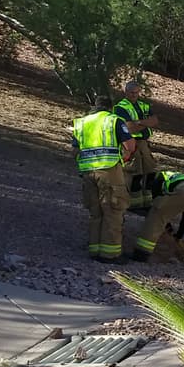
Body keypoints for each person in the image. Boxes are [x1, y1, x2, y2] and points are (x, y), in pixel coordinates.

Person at [71, 99, 136, 263]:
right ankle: (110, 254)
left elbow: (75, 150)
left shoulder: (81, 123)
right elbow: (130, 146)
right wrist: (125, 155)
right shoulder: (113, 120)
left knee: (96, 211)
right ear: (110, 107)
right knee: (113, 210)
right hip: (109, 170)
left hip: (87, 172)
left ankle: (94, 250)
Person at [132, 171, 184, 262]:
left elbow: (159, 204)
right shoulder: (181, 178)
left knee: (156, 215)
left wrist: (166, 224)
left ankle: (141, 254)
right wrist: (179, 235)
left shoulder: (159, 179)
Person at [113, 80, 160, 208]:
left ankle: (147, 201)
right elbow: (129, 128)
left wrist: (138, 122)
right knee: (135, 172)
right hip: (131, 143)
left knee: (150, 170)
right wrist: (146, 123)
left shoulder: (143, 105)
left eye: (136, 92)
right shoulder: (120, 107)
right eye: (132, 92)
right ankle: (134, 203)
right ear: (126, 92)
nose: (134, 95)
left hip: (144, 143)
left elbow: (155, 121)